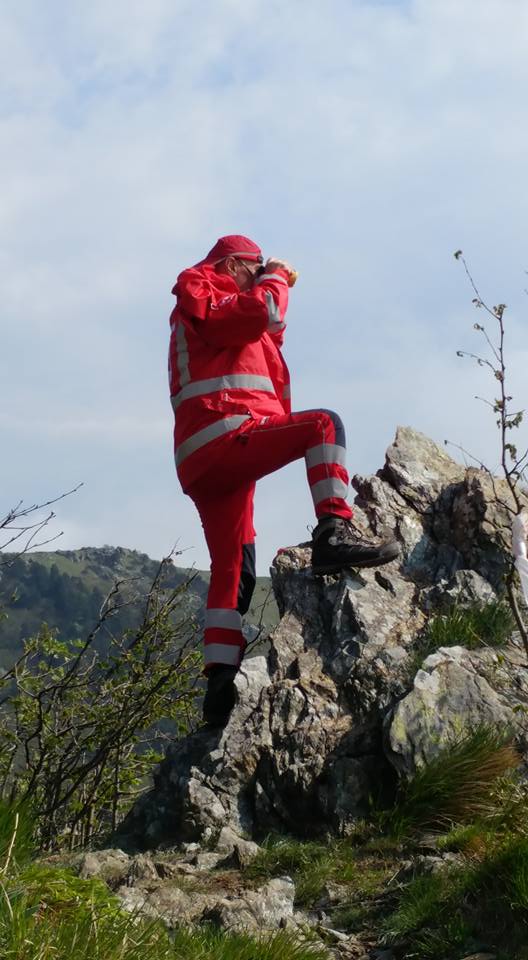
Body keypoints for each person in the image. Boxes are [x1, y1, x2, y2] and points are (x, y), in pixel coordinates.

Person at [168, 235, 398, 726]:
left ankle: (219, 682)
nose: (259, 277)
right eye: (252, 268)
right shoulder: (201, 286)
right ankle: (333, 532)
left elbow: (267, 334)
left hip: (208, 458)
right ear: (231, 264)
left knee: (235, 567)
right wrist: (274, 276)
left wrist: (270, 286)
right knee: (324, 426)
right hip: (226, 432)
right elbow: (257, 313)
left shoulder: (222, 306)